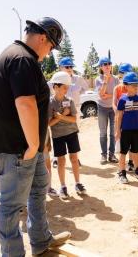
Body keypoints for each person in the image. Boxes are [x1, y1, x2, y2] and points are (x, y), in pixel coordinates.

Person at [0, 17, 70, 256]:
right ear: (43, 38)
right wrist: (33, 144)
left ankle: (41, 240)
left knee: (39, 188)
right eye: (51, 47)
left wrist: (37, 147)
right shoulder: (22, 59)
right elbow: (26, 104)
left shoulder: (21, 57)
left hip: (27, 149)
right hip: (16, 151)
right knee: (10, 208)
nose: (50, 52)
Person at [48, 71, 86, 199]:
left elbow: (74, 119)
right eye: (64, 87)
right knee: (61, 161)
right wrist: (62, 116)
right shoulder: (50, 103)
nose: (66, 90)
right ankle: (63, 186)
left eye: (67, 87)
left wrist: (60, 116)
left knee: (74, 159)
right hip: (57, 135)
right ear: (55, 87)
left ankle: (78, 183)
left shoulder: (69, 101)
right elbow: (50, 123)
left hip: (71, 133)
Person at [115, 72, 138, 184]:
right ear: (126, 86)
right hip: (125, 131)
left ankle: (137, 170)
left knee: (135, 151)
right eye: (132, 85)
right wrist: (117, 131)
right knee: (123, 152)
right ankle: (122, 172)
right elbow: (119, 116)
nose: (135, 87)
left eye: (136, 85)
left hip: (136, 130)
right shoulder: (122, 100)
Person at [94, 57, 120, 164]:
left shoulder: (116, 79)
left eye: (109, 63)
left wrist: (108, 95)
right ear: (101, 67)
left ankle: (112, 154)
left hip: (113, 108)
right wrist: (105, 81)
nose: (107, 65)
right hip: (102, 108)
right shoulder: (98, 79)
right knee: (103, 133)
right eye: (105, 64)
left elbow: (117, 95)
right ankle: (103, 155)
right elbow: (101, 95)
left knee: (113, 133)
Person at [113, 63, 135, 171]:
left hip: (131, 119)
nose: (123, 75)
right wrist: (118, 111)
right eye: (122, 73)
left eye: (126, 73)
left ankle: (131, 162)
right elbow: (114, 103)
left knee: (131, 141)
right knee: (120, 142)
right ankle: (122, 165)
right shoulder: (117, 88)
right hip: (120, 118)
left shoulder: (134, 87)